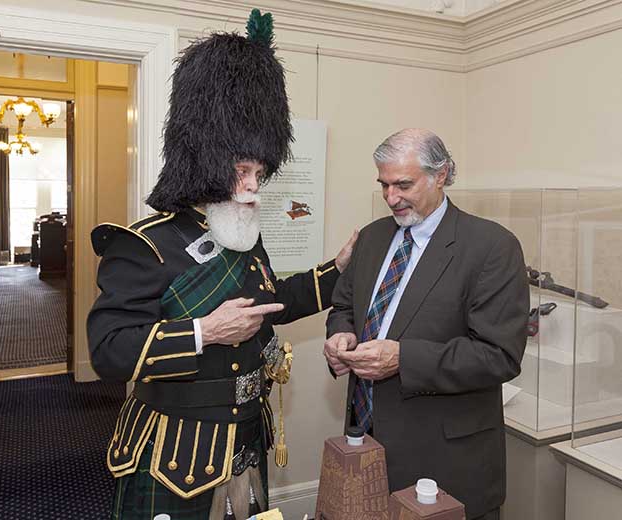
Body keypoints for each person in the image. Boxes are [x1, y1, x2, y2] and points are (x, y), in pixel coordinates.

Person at [87, 10, 356, 519]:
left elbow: (271, 304)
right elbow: (108, 351)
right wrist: (204, 332)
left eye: (260, 171)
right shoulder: (143, 244)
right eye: (242, 170)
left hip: (246, 439)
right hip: (174, 455)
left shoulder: (242, 236)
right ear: (205, 162)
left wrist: (336, 270)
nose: (255, 184)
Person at [324, 128, 529, 520]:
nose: (391, 197)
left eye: (403, 184)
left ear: (441, 175)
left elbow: (499, 355)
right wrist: (341, 334)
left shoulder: (491, 247)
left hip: (445, 461)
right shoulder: (371, 237)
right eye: (383, 185)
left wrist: (403, 358)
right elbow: (343, 305)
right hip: (364, 446)